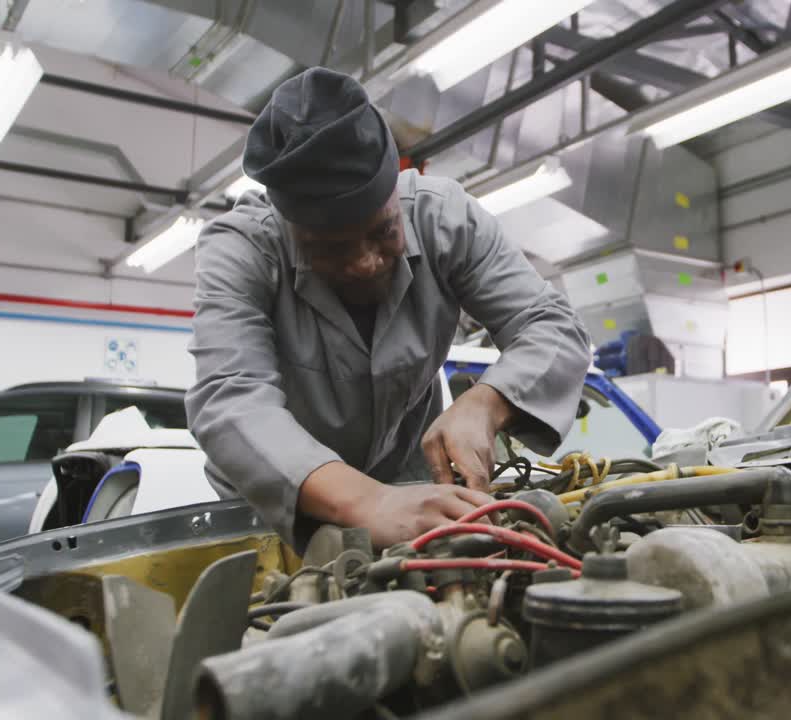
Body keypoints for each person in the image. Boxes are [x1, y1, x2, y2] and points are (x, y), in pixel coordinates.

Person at [185, 68, 591, 552]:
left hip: (410, 485)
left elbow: (551, 325)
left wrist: (487, 402)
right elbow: (231, 401)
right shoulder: (242, 250)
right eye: (331, 248)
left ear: (395, 192)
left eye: (383, 231)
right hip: (282, 513)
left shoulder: (447, 221)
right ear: (290, 228)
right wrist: (366, 503)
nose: (365, 262)